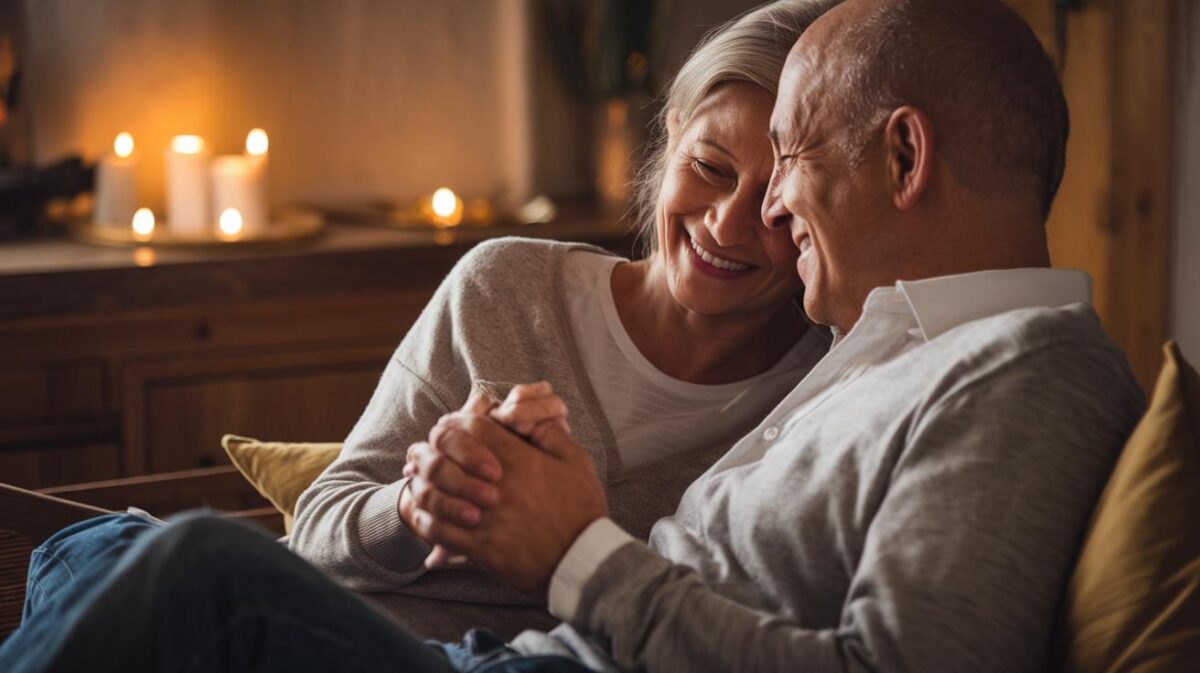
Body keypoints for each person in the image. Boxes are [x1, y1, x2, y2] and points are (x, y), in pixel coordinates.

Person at [0, 0, 1148, 671]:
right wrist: (437, 501)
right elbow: (336, 524)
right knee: (101, 551)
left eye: (793, 156)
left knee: (190, 568)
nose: (770, 213)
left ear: (904, 158)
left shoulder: (1027, 372)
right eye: (721, 167)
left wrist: (571, 550)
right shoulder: (889, 340)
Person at [286, 0, 833, 628]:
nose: (726, 225)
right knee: (177, 552)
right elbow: (316, 532)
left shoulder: (820, 390)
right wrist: (417, 505)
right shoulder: (507, 288)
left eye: (778, 204)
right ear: (673, 135)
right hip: (323, 624)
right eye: (709, 168)